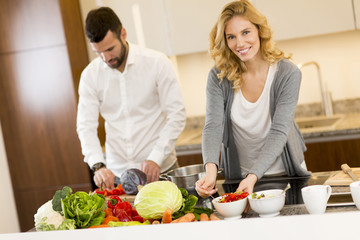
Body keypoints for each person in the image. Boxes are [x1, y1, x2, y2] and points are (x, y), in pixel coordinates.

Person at [196, 0, 310, 198]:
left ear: (259, 30)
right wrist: (211, 172)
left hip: (285, 173)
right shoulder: (218, 77)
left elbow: (279, 130)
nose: (239, 43)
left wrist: (253, 176)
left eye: (246, 32)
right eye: (231, 37)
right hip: (240, 178)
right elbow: (213, 126)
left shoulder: (287, 73)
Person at [77, 7, 186, 190]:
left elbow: (177, 115)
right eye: (99, 52)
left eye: (110, 49)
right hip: (118, 177)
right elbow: (85, 126)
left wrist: (155, 157)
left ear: (123, 34)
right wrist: (98, 165)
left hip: (161, 172)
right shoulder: (90, 75)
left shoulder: (157, 63)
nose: (106, 58)